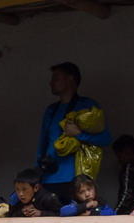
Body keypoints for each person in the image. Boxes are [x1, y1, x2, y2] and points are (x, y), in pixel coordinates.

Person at [36, 61, 110, 204]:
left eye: (56, 78)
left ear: (71, 79)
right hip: (49, 178)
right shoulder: (51, 110)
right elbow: (42, 144)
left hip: (77, 180)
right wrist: (37, 172)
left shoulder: (88, 106)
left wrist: (79, 134)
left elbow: (105, 139)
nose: (51, 83)